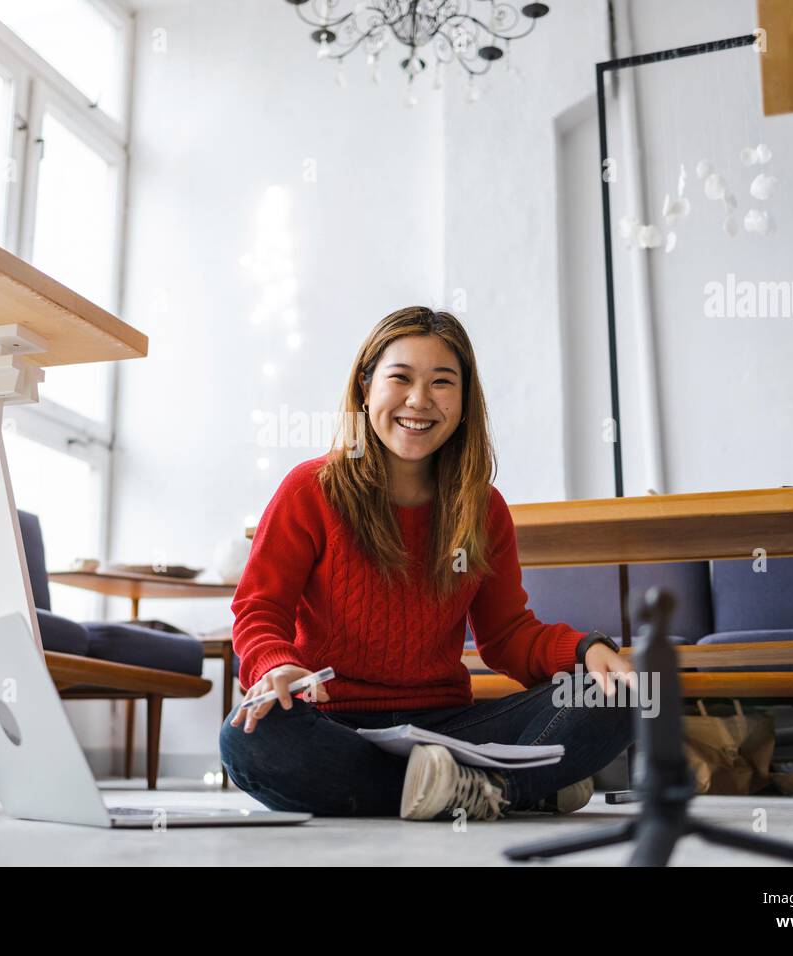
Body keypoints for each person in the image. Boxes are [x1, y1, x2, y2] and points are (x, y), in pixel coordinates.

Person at [219, 306, 636, 820]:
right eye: (400, 378)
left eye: (442, 382)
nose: (419, 400)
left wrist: (584, 650)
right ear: (366, 388)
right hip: (331, 724)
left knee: (608, 697)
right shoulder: (311, 489)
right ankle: (507, 789)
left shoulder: (484, 509)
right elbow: (259, 610)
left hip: (447, 728)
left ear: (464, 403)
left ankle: (460, 787)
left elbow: (506, 635)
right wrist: (276, 664)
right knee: (249, 739)